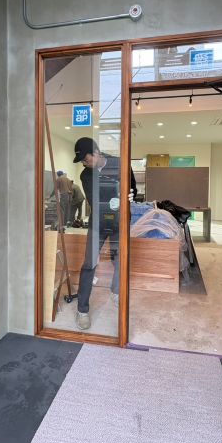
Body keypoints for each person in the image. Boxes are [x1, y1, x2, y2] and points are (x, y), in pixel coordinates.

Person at [72, 137, 137, 330]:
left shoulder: (120, 163)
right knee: (89, 264)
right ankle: (82, 310)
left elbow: (132, 188)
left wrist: (130, 194)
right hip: (98, 224)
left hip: (120, 221)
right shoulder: (85, 175)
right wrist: (117, 193)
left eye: (86, 159)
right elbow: (96, 199)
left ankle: (116, 291)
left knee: (120, 260)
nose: (84, 164)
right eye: (82, 162)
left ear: (96, 153)